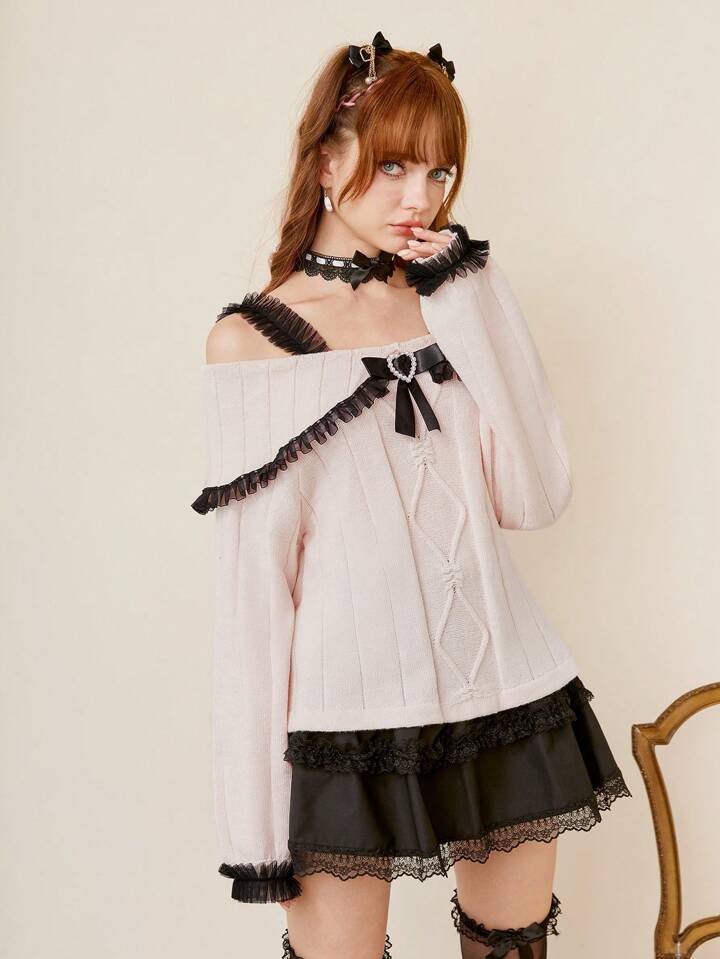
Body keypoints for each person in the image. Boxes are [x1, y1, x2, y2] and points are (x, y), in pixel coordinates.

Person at [192, 31, 632, 959]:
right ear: (326, 160)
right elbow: (254, 599)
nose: (419, 198)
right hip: (344, 729)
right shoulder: (251, 344)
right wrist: (256, 826)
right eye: (393, 165)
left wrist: (472, 293)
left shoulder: (452, 303)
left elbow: (534, 495)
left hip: (506, 694)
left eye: (438, 172)